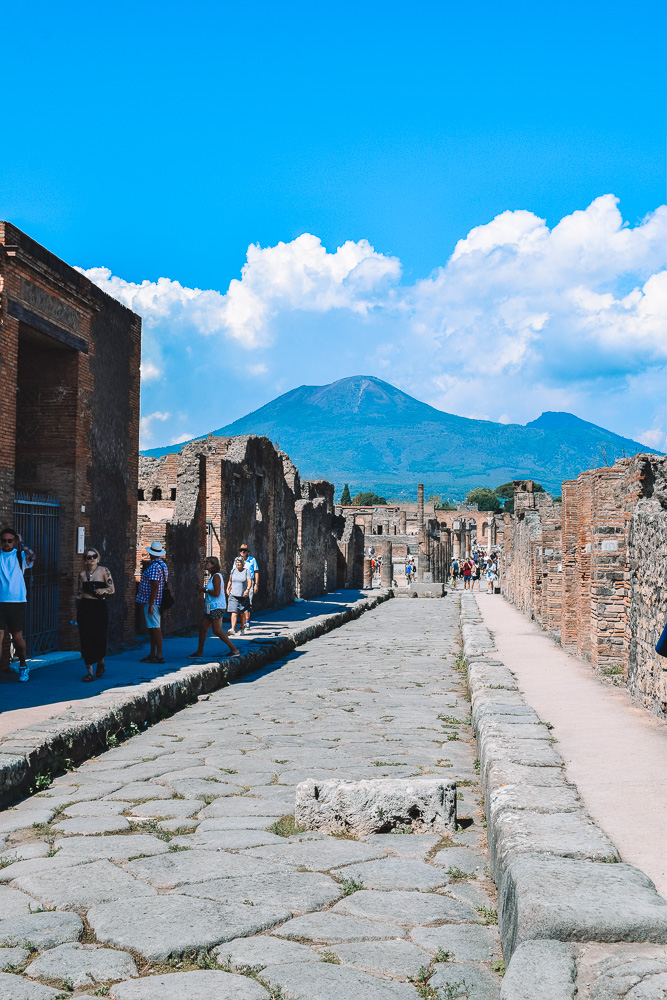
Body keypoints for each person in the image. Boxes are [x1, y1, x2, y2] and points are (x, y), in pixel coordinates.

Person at [0, 527, 35, 682]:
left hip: (16, 601)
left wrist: (22, 543)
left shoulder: (20, 555)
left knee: (17, 637)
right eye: (4, 541)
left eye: (10, 540)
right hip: (0, 601)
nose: (7, 543)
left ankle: (23, 666)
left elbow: (32, 557)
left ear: (14, 541)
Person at [189, 556, 240, 659]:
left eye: (207, 563)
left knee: (217, 631)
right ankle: (199, 652)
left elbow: (216, 593)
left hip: (216, 607)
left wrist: (205, 590)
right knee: (203, 627)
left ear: (212, 565)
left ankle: (234, 649)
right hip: (210, 607)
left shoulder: (216, 576)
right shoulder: (213, 576)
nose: (205, 564)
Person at [76, 548, 114, 681]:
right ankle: (89, 672)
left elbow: (112, 589)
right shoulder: (81, 575)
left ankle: (100, 661)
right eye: (88, 557)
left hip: (99, 607)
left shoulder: (104, 571)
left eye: (94, 556)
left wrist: (103, 590)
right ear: (85, 560)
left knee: (99, 635)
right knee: (86, 637)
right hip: (85, 606)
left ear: (98, 557)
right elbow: (79, 593)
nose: (91, 558)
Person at [137, 541, 168, 663]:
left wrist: (150, 604)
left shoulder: (154, 567)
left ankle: (159, 655)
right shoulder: (162, 565)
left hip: (153, 602)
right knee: (152, 628)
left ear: (151, 553)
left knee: (155, 628)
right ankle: (152, 653)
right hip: (156, 601)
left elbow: (155, 586)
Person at [227, 556, 252, 635]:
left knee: (242, 613)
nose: (238, 564)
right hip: (233, 594)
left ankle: (242, 628)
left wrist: (247, 590)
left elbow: (249, 582)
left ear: (242, 563)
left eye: (240, 562)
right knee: (234, 612)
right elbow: (230, 581)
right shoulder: (233, 571)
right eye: (237, 562)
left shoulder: (246, 571)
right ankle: (233, 629)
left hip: (243, 596)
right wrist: (228, 588)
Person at [237, 544, 259, 629]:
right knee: (239, 603)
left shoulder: (252, 560)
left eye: (244, 551)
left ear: (247, 552)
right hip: (239, 583)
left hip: (249, 582)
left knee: (248, 602)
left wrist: (256, 584)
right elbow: (233, 572)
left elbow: (256, 571)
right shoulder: (237, 560)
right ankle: (241, 622)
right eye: (241, 550)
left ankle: (247, 622)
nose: (242, 552)